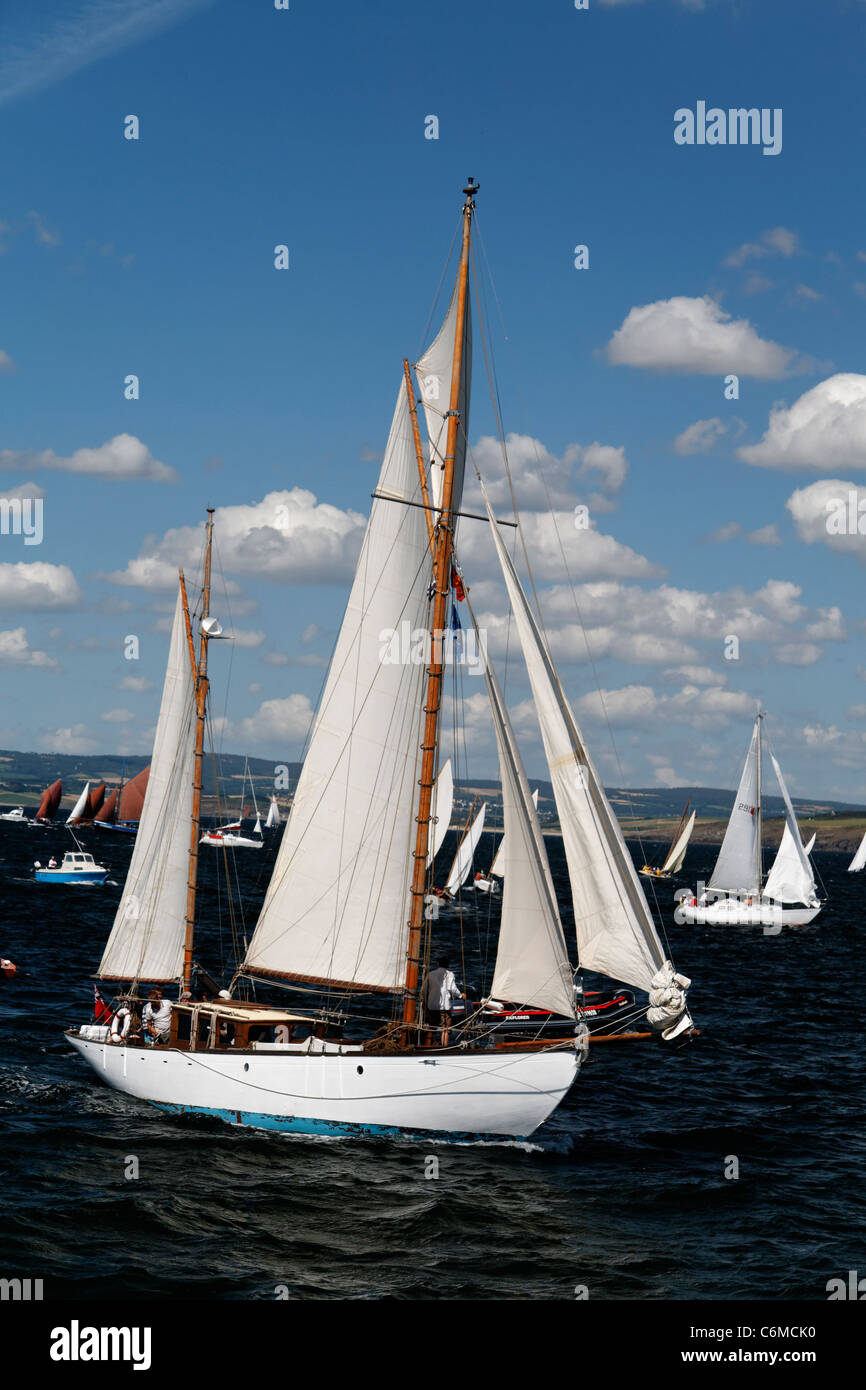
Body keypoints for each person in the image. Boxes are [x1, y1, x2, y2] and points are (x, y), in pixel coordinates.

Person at [425, 956, 465, 1047]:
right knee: (445, 1028)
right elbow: (453, 989)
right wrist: (461, 995)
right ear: (448, 965)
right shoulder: (450, 974)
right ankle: (444, 1046)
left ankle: (428, 1045)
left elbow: (425, 990)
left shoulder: (430, 974)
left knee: (432, 1027)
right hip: (444, 1007)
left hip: (431, 1006)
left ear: (438, 964)